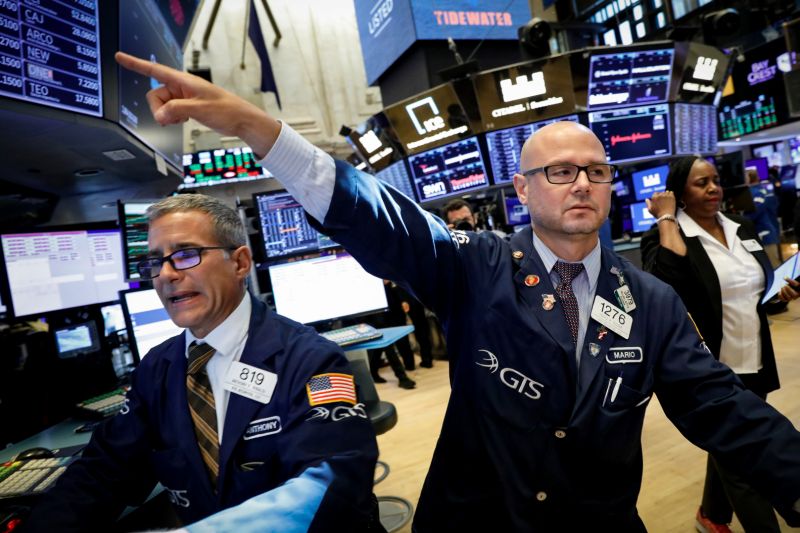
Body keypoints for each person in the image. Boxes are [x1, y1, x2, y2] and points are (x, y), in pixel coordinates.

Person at [115, 52, 800, 531]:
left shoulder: (649, 301)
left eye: (595, 169)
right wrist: (260, 131)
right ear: (523, 189)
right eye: (559, 170)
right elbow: (385, 221)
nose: (582, 182)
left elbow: (725, 411)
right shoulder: (475, 264)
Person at [21, 194, 381, 532]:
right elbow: (102, 472)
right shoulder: (157, 369)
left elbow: (334, 480)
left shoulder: (311, 360)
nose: (166, 275)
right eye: (155, 261)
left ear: (239, 262)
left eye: (185, 254)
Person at [642, 156, 799, 533]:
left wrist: (782, 294)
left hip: (754, 359)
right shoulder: (665, 235)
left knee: (733, 446)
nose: (713, 189)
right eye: (701, 183)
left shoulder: (741, 228)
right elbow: (666, 284)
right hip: (711, 370)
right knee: (742, 465)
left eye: (715, 180)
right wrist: (666, 219)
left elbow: (758, 289)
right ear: (678, 192)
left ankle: (710, 515)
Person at [745, 168, 781, 267]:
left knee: (774, 266)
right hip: (769, 231)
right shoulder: (765, 189)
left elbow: (753, 214)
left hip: (764, 234)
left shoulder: (755, 193)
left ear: (748, 178)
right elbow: (775, 206)